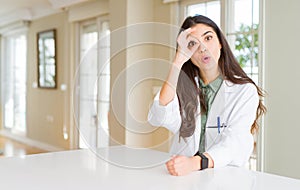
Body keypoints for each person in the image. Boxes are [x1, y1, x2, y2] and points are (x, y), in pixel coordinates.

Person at [147, 15, 266, 176]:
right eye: (192, 43)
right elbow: (159, 117)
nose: (202, 48)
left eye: (208, 38)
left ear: (220, 43)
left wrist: (196, 163)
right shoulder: (184, 88)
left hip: (225, 177)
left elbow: (234, 142)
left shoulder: (244, 91)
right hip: (184, 176)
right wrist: (178, 61)